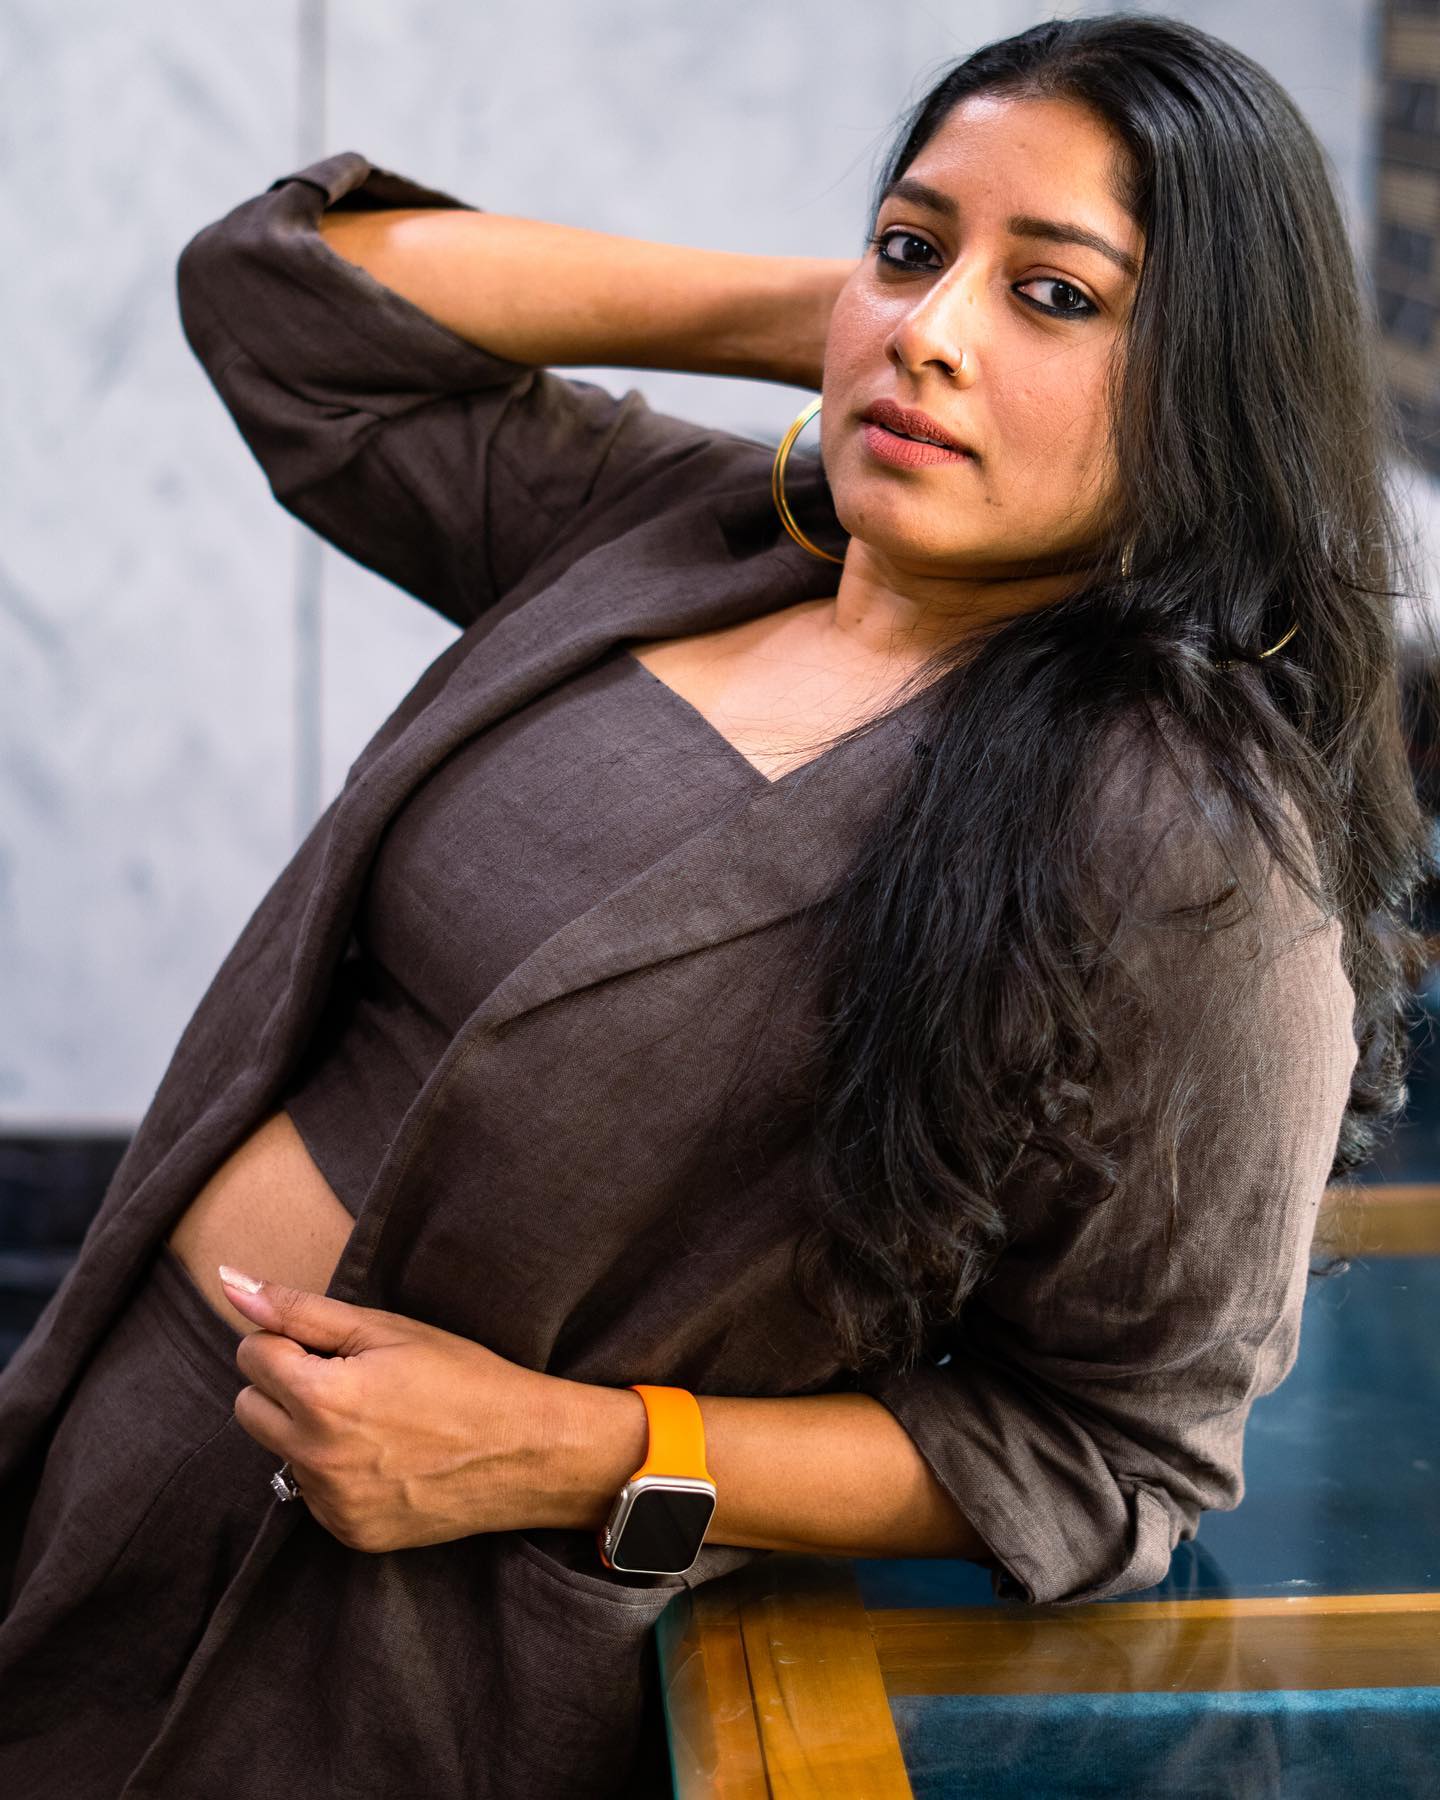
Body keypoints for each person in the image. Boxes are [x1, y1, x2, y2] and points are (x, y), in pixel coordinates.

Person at [0, 13, 1426, 1797]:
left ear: (1218, 383)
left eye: (1061, 296)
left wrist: (568, 1448)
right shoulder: (713, 529)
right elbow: (283, 302)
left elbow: (1110, 1462)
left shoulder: (1188, 854)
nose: (935, 329)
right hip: (122, 1449)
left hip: (408, 1638)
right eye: (907, 245)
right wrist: (858, 321)